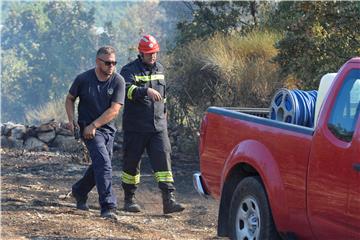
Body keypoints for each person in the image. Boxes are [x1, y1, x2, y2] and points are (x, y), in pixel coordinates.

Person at [119, 35, 185, 214]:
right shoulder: (129, 70)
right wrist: (145, 90)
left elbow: (164, 95)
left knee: (164, 162)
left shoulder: (161, 69)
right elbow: (126, 90)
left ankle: (169, 201)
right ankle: (129, 200)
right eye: (149, 53)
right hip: (136, 127)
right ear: (141, 53)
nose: (152, 56)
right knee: (131, 164)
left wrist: (165, 113)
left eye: (154, 53)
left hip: (158, 127)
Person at [65, 46, 125, 218]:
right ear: (98, 62)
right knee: (104, 164)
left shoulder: (118, 81)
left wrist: (96, 125)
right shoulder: (83, 79)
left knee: (100, 165)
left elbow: (114, 110)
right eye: (107, 63)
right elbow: (70, 99)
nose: (111, 66)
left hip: (106, 129)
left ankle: (79, 190)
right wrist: (72, 120)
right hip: (88, 130)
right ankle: (108, 206)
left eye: (114, 62)